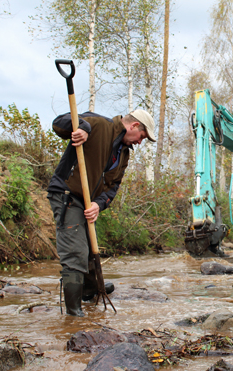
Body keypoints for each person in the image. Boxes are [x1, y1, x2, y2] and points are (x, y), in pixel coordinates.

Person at [47, 109, 156, 316]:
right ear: (133, 126)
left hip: (88, 202)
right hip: (67, 194)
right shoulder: (98, 124)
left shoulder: (123, 154)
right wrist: (82, 128)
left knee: (89, 247)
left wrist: (99, 203)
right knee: (75, 252)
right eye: (142, 136)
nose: (140, 142)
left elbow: (112, 187)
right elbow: (58, 123)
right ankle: (74, 314)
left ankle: (90, 290)